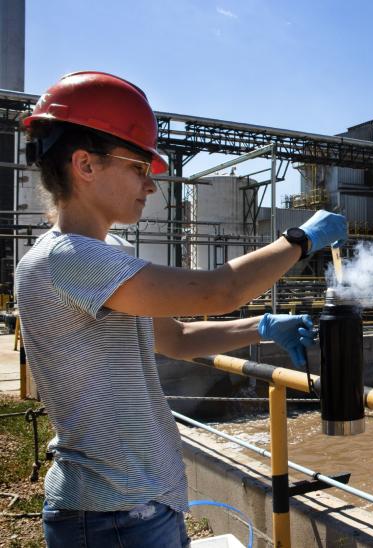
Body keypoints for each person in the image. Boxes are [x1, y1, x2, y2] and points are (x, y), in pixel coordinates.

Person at [15, 71, 347, 548]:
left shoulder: (104, 250)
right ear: (85, 165)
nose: (151, 186)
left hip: (138, 508)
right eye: (137, 167)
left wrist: (263, 325)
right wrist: (299, 240)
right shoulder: (67, 258)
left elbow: (177, 339)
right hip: (112, 517)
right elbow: (219, 291)